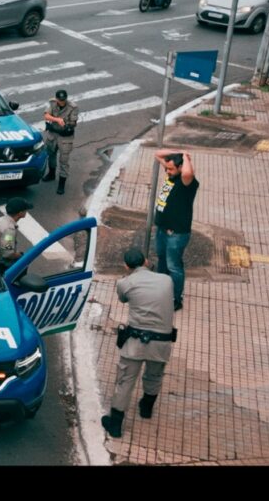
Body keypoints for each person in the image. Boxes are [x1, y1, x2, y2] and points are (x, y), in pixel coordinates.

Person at [100, 248, 176, 438]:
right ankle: (146, 409)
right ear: (145, 261)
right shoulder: (167, 280)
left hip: (135, 342)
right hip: (162, 343)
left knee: (125, 380)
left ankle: (115, 425)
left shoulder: (125, 283)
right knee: (154, 375)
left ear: (126, 265)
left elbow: (123, 299)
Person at [152, 150, 198, 311]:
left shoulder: (187, 182)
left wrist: (185, 157)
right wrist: (179, 151)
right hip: (162, 230)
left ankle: (175, 299)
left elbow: (187, 171)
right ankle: (160, 290)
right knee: (162, 261)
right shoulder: (173, 172)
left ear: (180, 167)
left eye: (171, 169)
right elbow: (158, 154)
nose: (167, 171)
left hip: (176, 234)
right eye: (167, 169)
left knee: (174, 267)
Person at [41, 89, 78, 195]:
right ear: (57, 99)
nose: (62, 102)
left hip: (65, 137)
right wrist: (57, 120)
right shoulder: (52, 103)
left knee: (64, 160)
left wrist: (66, 125)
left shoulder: (73, 107)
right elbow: (46, 115)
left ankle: (62, 184)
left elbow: (72, 124)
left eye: (63, 100)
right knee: (51, 155)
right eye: (60, 100)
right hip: (53, 135)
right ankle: (51, 174)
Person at [0, 198, 31, 274]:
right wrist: (21, 256)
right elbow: (8, 253)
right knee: (23, 265)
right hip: (1, 262)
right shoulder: (9, 230)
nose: (26, 212)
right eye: (25, 210)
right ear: (20, 213)